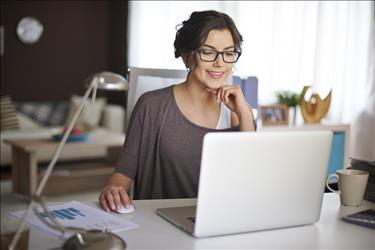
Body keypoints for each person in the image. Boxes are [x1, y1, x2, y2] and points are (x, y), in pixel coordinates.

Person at [99, 10, 256, 212]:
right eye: (208, 52)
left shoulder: (239, 111)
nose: (220, 63)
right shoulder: (151, 105)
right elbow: (124, 173)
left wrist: (244, 114)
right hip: (160, 224)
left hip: (221, 222)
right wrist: (114, 189)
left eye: (228, 53)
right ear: (186, 56)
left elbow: (250, 181)